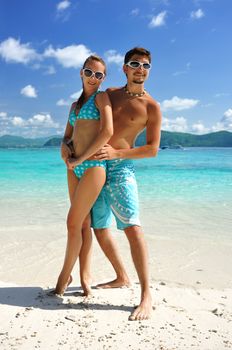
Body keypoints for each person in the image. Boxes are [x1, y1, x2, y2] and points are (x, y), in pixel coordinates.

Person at [92, 47, 162, 320]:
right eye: (134, 64)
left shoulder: (151, 106)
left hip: (121, 169)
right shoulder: (109, 94)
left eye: (145, 65)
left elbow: (152, 149)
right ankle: (121, 275)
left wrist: (118, 153)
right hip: (96, 165)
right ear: (124, 68)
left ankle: (146, 295)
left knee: (132, 228)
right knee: (98, 227)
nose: (140, 69)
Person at [52, 55, 113, 297]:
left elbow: (107, 131)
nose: (93, 78)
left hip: (93, 167)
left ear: (103, 78)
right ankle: (84, 277)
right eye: (89, 72)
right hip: (74, 166)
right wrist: (65, 150)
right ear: (81, 73)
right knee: (83, 224)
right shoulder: (74, 106)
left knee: (72, 222)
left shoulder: (101, 98)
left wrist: (82, 158)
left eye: (99, 75)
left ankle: (63, 277)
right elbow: (66, 135)